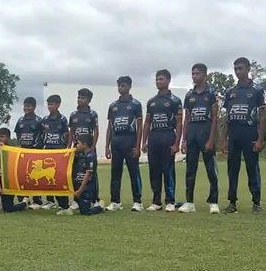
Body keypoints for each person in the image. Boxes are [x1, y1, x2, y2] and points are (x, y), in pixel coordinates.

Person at [220, 57, 265, 215]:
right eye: (235, 69)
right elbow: (227, 117)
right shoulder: (230, 92)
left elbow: (262, 116)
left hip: (250, 132)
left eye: (240, 68)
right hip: (234, 134)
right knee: (232, 169)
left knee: (252, 168)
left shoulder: (257, 90)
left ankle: (256, 203)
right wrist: (223, 139)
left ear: (248, 69)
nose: (238, 72)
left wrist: (260, 139)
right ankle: (232, 202)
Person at [179, 64, 220, 214]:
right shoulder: (189, 95)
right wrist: (184, 140)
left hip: (206, 132)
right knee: (190, 169)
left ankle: (214, 202)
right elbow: (186, 118)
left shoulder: (211, 93)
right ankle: (189, 202)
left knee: (211, 169)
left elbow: (215, 117)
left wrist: (211, 139)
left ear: (204, 75)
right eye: (192, 74)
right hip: (192, 134)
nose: (194, 76)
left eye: (197, 74)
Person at [142, 69, 182, 212]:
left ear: (168, 81)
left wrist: (176, 143)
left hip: (168, 137)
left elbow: (179, 123)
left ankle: (170, 201)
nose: (158, 82)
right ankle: (156, 201)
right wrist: (144, 141)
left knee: (168, 170)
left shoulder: (175, 101)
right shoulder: (151, 102)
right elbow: (147, 122)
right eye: (157, 79)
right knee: (154, 170)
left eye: (161, 79)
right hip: (154, 137)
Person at [105, 76, 143, 212]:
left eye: (123, 86)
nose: (121, 88)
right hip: (116, 142)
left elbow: (140, 127)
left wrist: (138, 146)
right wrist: (107, 146)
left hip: (130, 141)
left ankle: (137, 201)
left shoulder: (135, 104)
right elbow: (109, 127)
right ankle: (115, 201)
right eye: (119, 86)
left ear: (129, 86)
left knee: (134, 172)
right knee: (115, 173)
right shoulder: (113, 106)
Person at [68, 88, 100, 209]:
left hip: (88, 149)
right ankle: (76, 200)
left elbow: (96, 131)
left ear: (89, 100)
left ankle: (95, 199)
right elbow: (71, 132)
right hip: (76, 149)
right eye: (78, 97)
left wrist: (93, 146)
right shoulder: (73, 115)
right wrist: (69, 147)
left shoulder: (92, 114)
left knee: (91, 174)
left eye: (83, 98)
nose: (80, 100)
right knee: (75, 174)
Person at [40, 94, 70, 212]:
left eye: (52, 104)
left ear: (58, 105)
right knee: (47, 175)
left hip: (59, 150)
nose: (49, 107)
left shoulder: (62, 119)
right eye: (48, 104)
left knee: (59, 176)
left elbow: (66, 134)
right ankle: (50, 200)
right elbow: (43, 134)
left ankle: (64, 202)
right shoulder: (45, 120)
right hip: (48, 150)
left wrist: (66, 148)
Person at [14, 96, 44, 207]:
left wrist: (37, 148)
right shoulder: (20, 120)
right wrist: (20, 146)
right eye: (25, 106)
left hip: (35, 152)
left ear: (34, 107)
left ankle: (37, 201)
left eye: (29, 106)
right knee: (24, 175)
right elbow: (18, 134)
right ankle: (24, 199)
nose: (26, 108)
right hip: (23, 153)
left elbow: (42, 135)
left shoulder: (39, 121)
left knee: (36, 176)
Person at [66, 131, 103, 216]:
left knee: (85, 212)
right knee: (80, 204)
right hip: (78, 186)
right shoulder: (79, 155)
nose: (76, 145)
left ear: (84, 144)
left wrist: (80, 190)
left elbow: (88, 174)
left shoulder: (91, 156)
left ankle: (99, 206)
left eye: (78, 143)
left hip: (87, 188)